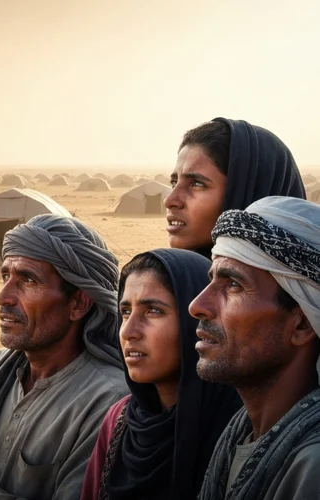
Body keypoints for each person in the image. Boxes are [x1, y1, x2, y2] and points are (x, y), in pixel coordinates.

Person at [0, 214, 128, 500]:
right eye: (6, 276)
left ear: (78, 303)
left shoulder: (109, 401)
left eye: (27, 280)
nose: (3, 297)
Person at [81, 249, 241, 500]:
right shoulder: (119, 421)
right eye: (125, 312)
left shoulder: (239, 431)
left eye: (153, 311)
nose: (128, 331)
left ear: (197, 322)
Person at [192, 197, 320, 500]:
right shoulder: (242, 432)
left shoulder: (312, 464)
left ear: (302, 324)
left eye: (233, 285)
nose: (197, 305)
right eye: (211, 280)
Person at [165, 118, 305, 256]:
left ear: (248, 194)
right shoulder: (176, 275)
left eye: (197, 184)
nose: (169, 201)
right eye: (173, 183)